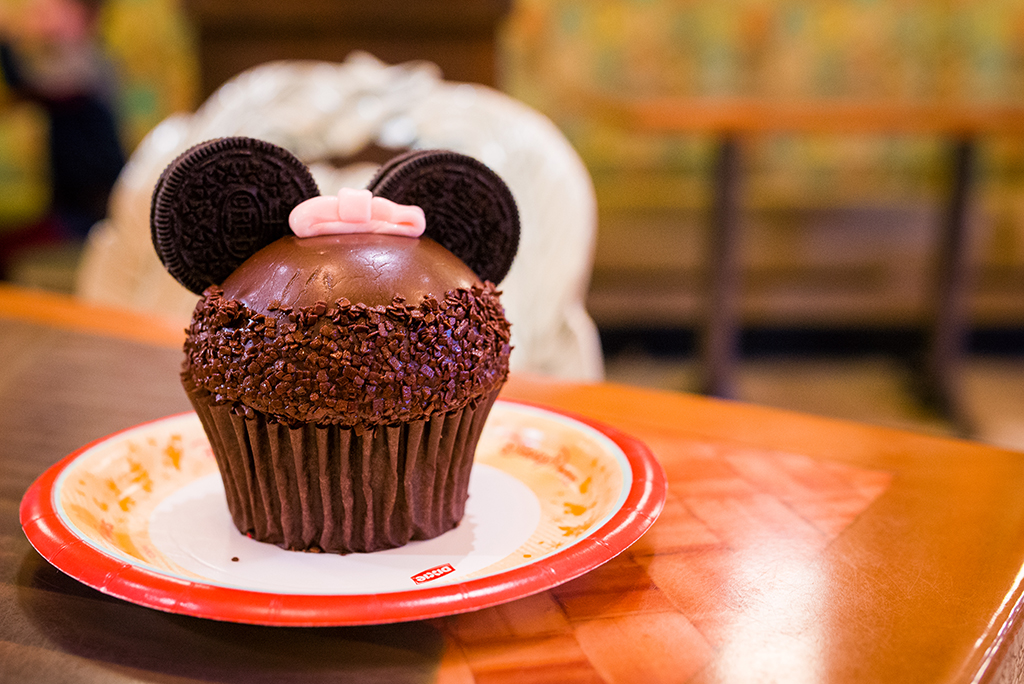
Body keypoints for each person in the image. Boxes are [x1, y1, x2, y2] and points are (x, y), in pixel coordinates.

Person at [0, 0, 124, 244]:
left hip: (92, 209)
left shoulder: (88, 65)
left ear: (84, 18)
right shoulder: (61, 61)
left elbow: (34, 87)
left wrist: (5, 42)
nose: (40, 22)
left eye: (52, 12)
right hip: (68, 205)